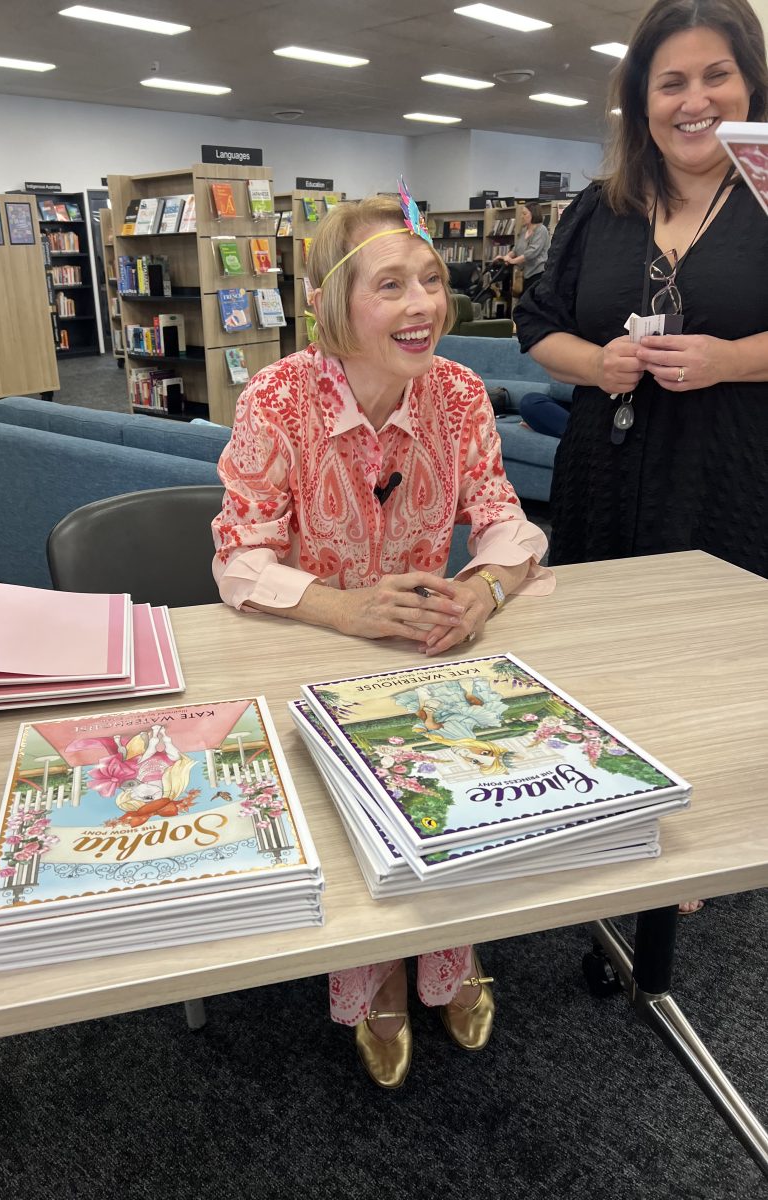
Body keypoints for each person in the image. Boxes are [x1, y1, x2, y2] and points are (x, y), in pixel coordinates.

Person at [212, 190, 553, 1088]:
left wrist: (481, 593)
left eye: (432, 281)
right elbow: (239, 561)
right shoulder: (277, 397)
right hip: (310, 642)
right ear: (335, 303)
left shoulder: (462, 392)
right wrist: (345, 608)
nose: (424, 306)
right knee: (360, 810)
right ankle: (377, 975)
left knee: (452, 779)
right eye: (391, 285)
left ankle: (447, 953)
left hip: (429, 641)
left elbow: (508, 525)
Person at [515, 0, 768, 914]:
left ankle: (701, 841)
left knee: (710, 652)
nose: (694, 100)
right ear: (640, 99)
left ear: (750, 85)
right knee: (604, 645)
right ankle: (606, 808)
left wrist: (732, 360)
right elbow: (536, 323)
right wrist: (599, 363)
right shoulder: (602, 206)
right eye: (671, 82)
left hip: (731, 465)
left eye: (716, 76)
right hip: (605, 461)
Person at [500, 202, 551, 284]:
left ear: (533, 214)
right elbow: (516, 249)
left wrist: (512, 261)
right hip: (525, 274)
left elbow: (531, 253)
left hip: (538, 274)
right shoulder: (524, 230)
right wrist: (506, 257)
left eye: (524, 214)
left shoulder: (541, 230)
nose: (521, 217)